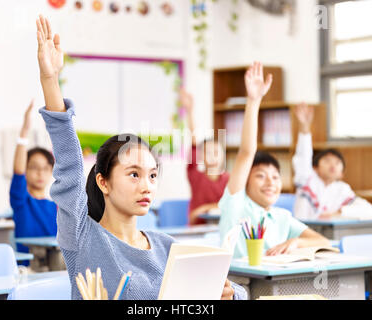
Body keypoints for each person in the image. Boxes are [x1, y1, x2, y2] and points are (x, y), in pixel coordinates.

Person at [35, 15, 246, 300]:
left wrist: (230, 294)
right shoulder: (82, 237)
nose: (146, 185)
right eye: (134, 174)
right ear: (103, 182)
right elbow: (68, 160)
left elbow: (240, 293)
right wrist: (50, 80)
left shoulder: (167, 247)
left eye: (152, 175)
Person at [218, 62, 330, 259]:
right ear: (246, 180)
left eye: (276, 177)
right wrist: (254, 101)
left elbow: (323, 242)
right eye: (261, 176)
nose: (270, 183)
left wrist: (295, 241)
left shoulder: (281, 217)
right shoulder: (236, 204)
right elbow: (246, 152)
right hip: (239, 283)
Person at [292, 102, 372, 220]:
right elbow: (303, 155)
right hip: (303, 232)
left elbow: (368, 211)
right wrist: (304, 127)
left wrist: (340, 212)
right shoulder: (307, 179)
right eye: (327, 160)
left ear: (341, 174)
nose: (332, 165)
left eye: (337, 163)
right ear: (315, 168)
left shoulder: (343, 189)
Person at [10, 99, 57, 264]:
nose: (40, 173)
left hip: (54, 267)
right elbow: (18, 172)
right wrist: (24, 132)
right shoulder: (21, 201)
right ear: (26, 170)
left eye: (45, 168)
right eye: (34, 167)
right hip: (28, 270)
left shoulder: (55, 207)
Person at [180, 88, 229, 225]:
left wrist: (203, 208)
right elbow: (194, 142)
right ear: (201, 157)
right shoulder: (195, 175)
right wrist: (190, 111)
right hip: (197, 229)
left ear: (223, 156)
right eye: (208, 153)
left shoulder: (228, 179)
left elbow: (231, 205)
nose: (212, 157)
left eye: (216, 153)